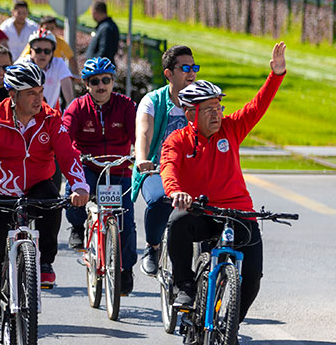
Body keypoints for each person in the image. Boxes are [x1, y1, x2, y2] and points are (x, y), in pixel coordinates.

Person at [0, 63, 89, 345]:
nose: (38, 98)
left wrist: (79, 185)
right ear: (13, 94)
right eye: (30, 93)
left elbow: (68, 154)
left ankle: (44, 262)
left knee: (53, 201)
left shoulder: (51, 118)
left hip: (36, 185)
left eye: (40, 91)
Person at [163, 43, 287, 329]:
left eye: (219, 107)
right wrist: (176, 192)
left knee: (253, 278)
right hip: (201, 213)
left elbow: (258, 105)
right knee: (177, 222)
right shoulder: (178, 140)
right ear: (191, 114)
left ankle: (229, 327)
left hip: (239, 213)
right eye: (209, 109)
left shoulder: (231, 128)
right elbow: (168, 168)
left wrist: (276, 74)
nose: (217, 114)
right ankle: (184, 286)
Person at [62, 57, 138, 295]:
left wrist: (140, 154)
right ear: (87, 85)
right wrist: (70, 156)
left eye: (106, 80)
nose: (101, 86)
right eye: (95, 82)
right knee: (74, 192)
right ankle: (76, 226)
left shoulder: (126, 106)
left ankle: (125, 270)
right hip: (88, 166)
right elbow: (64, 136)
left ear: (113, 81)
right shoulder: (77, 107)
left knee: (126, 223)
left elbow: (139, 135)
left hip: (119, 168)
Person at [132, 45, 199, 276]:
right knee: (161, 199)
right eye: (185, 68)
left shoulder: (201, 100)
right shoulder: (153, 101)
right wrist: (142, 159)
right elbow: (144, 132)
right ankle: (153, 247)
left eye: (194, 68)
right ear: (168, 74)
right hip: (157, 168)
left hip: (192, 169)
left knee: (214, 206)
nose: (191, 73)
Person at [25, 28, 74, 111]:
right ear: (31, 51)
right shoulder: (22, 65)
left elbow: (69, 96)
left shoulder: (59, 63)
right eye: (38, 50)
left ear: (52, 52)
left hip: (50, 116)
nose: (42, 54)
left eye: (47, 51)